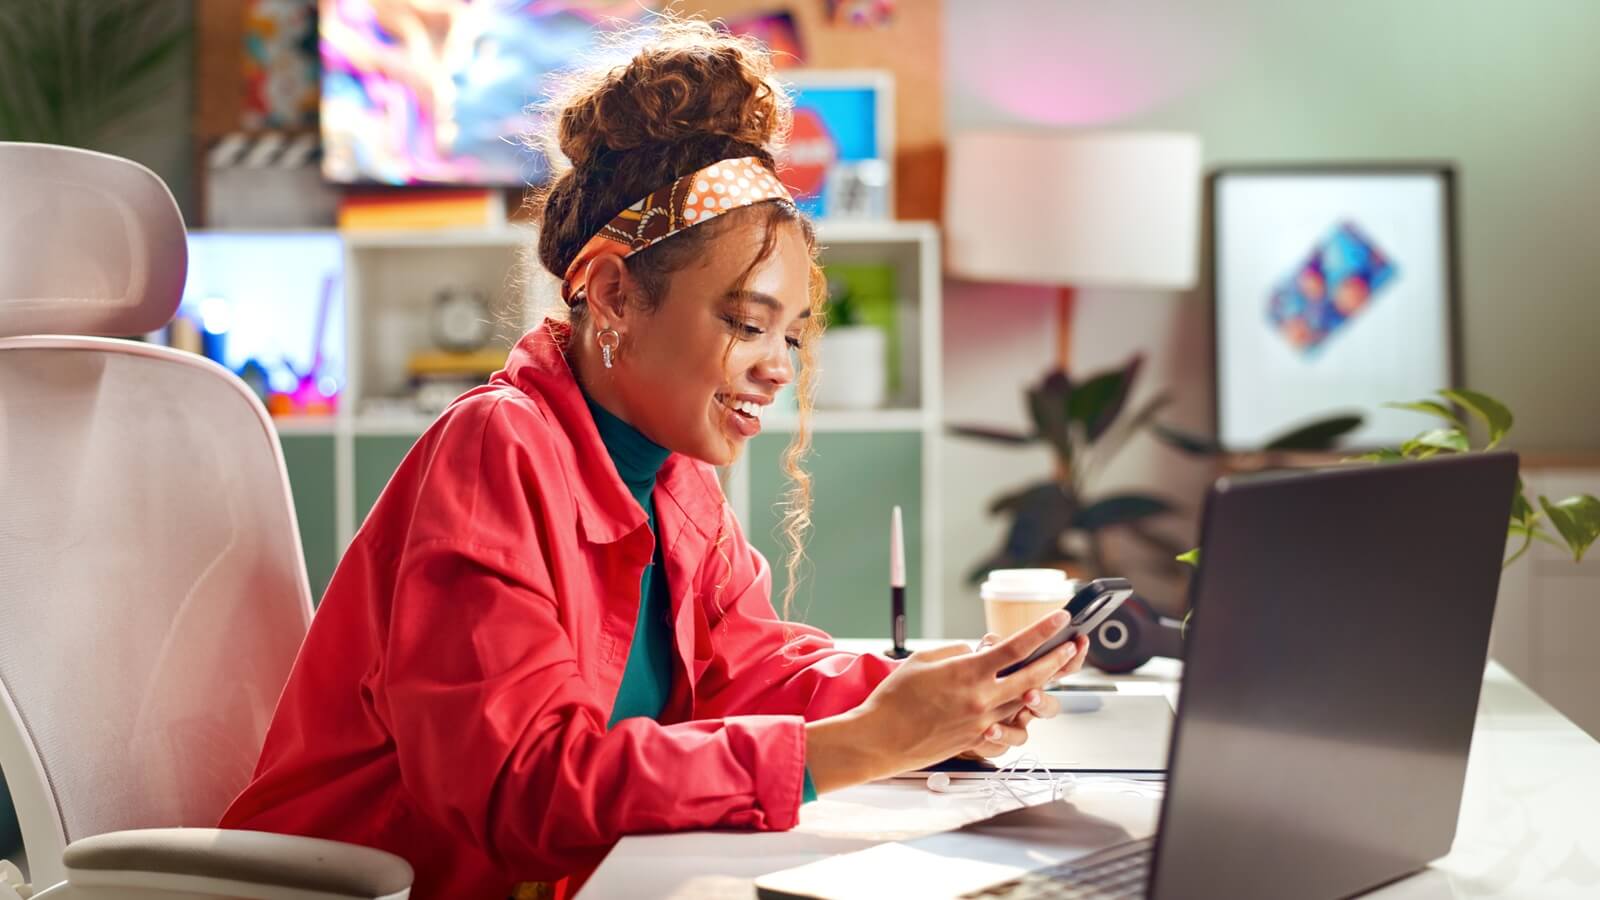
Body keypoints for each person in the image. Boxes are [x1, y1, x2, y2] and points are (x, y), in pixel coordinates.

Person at [219, 20, 1087, 900]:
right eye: (746, 324)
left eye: (790, 333)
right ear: (611, 293)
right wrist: (863, 742)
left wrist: (924, 694)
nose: (778, 366)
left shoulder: (676, 475)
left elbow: (745, 672)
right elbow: (519, 791)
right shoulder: (495, 448)